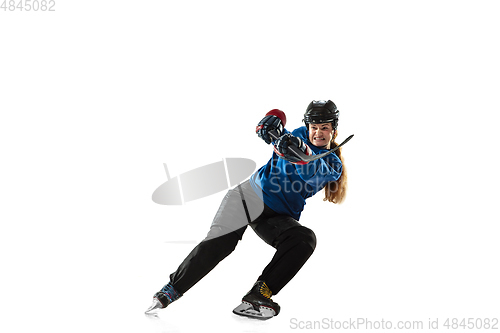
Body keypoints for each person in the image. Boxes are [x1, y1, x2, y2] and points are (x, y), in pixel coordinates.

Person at [145, 100, 348, 319]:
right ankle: (170, 291)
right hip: (247, 198)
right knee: (220, 242)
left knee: (304, 239)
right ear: (307, 126)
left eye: (324, 128)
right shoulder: (296, 135)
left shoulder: (332, 165)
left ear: (334, 129)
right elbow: (274, 123)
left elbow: (312, 170)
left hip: (277, 217)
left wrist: (300, 151)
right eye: (314, 127)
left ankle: (258, 294)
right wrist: (271, 122)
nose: (318, 132)